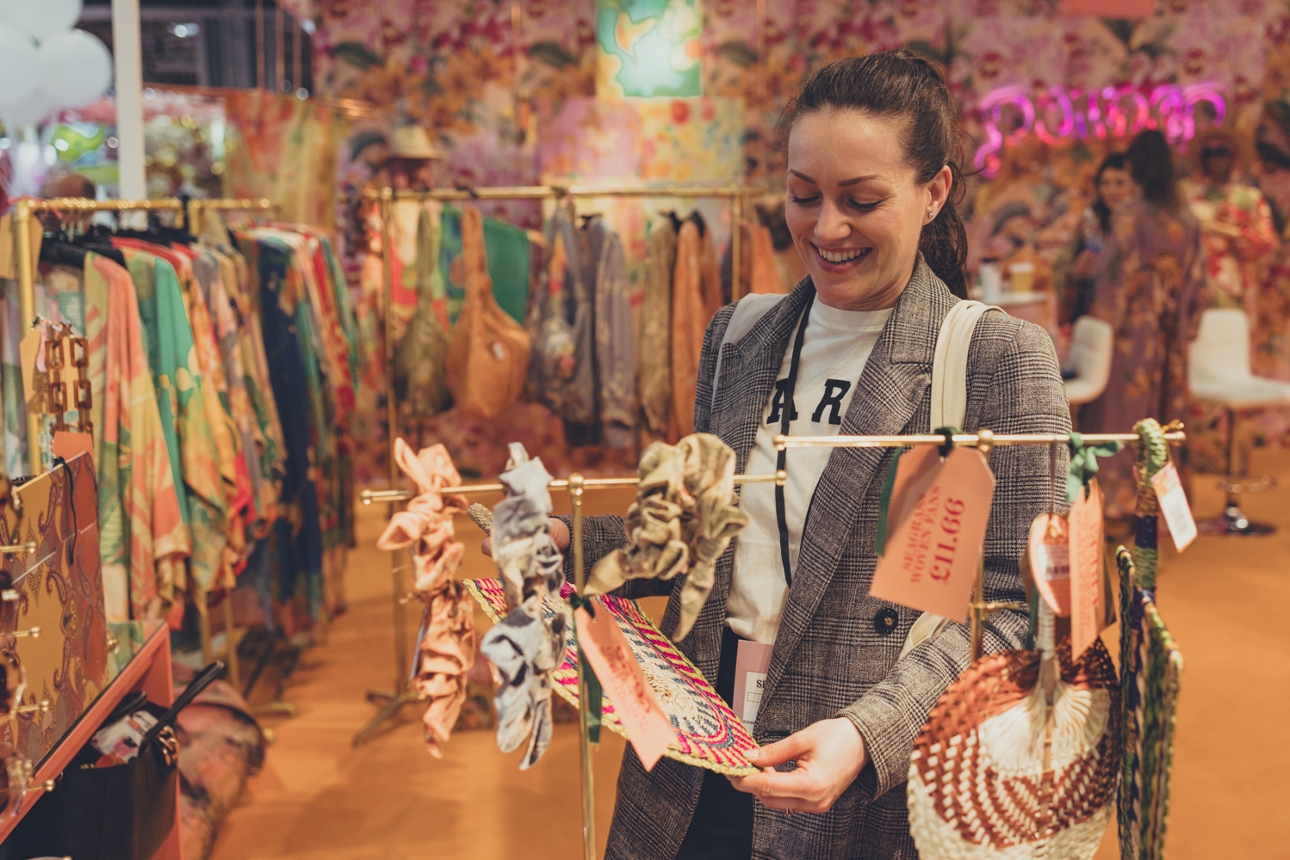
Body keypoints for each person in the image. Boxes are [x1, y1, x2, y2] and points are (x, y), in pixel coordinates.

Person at [489, 51, 1069, 859]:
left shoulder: (992, 360)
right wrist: (573, 540)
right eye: (804, 196)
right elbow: (705, 539)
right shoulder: (741, 336)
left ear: (934, 192)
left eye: (860, 201)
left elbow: (1031, 614)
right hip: (691, 750)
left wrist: (869, 736)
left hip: (865, 781)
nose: (825, 228)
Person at [1083, 130, 1204, 519]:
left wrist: (1103, 324)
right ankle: (1164, 507)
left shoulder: (1130, 215)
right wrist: (1186, 326)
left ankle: (1122, 504)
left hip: (1133, 332)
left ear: (1135, 166)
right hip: (1170, 331)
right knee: (1165, 415)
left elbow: (1115, 275)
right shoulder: (1185, 218)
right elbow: (1198, 278)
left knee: (1122, 412)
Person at [1184, 127, 1278, 320]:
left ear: (1234, 156)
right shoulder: (1189, 196)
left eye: (1222, 151)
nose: (1215, 158)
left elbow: (1264, 241)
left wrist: (1225, 232)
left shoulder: (1249, 198)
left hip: (1236, 285)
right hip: (1195, 284)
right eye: (1207, 152)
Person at [1053, 152, 1131, 324]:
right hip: (1091, 312)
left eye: (1120, 183)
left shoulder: (1138, 224)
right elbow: (1061, 266)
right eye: (1105, 183)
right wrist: (1075, 272)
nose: (1112, 191)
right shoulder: (1090, 220)